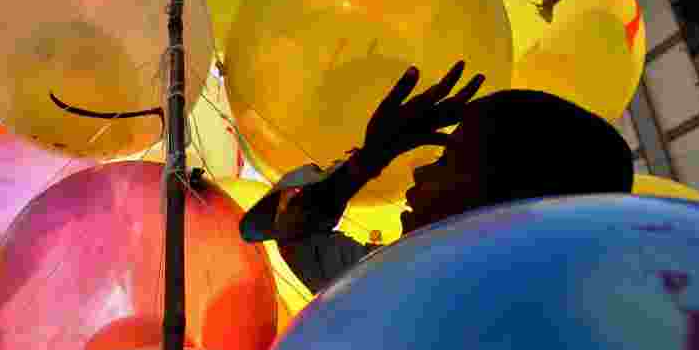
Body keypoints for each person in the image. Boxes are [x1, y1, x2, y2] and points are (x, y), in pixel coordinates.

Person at [239, 61, 634, 294]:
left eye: (450, 157)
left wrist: (370, 159)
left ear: (506, 198)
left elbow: (294, 232)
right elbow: (295, 230)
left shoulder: (410, 295)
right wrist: (368, 159)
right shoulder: (405, 282)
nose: (420, 170)